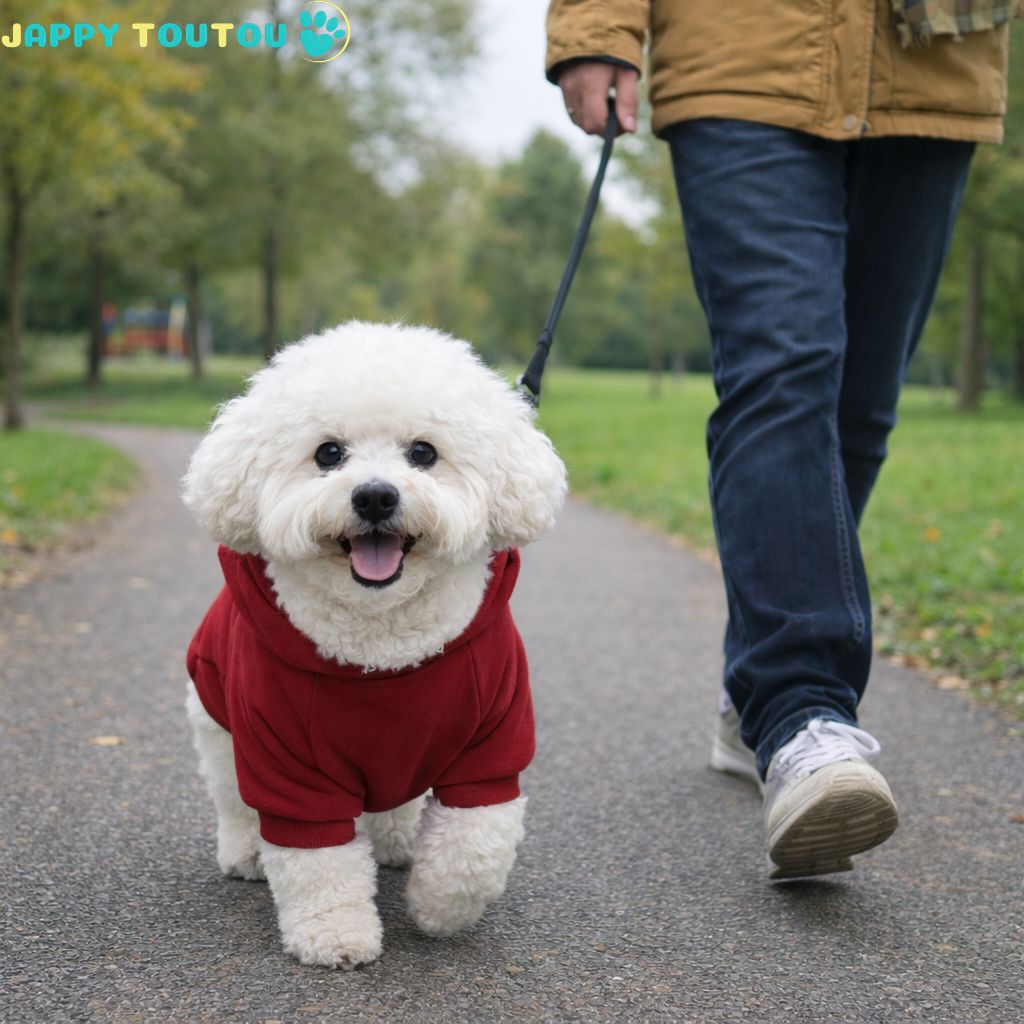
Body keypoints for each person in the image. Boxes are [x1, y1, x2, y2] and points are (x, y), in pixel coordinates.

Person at [546, 0, 1012, 879]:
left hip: (933, 59)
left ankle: (750, 688)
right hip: (742, 53)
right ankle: (802, 712)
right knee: (783, 370)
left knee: (857, 406)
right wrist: (596, 29)